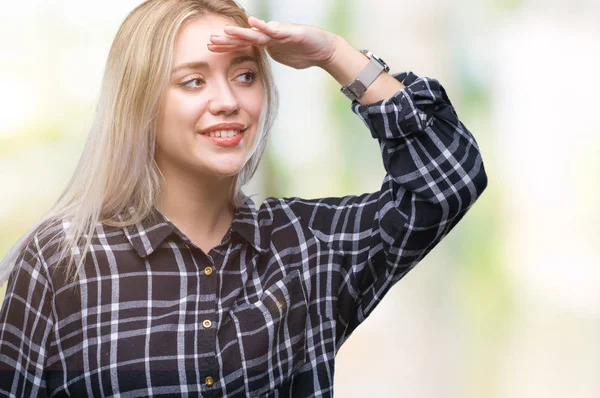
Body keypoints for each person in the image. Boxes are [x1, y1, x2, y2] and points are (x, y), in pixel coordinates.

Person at [0, 0, 488, 396]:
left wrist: (334, 54)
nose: (229, 101)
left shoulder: (308, 247)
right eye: (193, 80)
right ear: (141, 102)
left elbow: (447, 180)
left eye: (244, 75)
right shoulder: (62, 260)